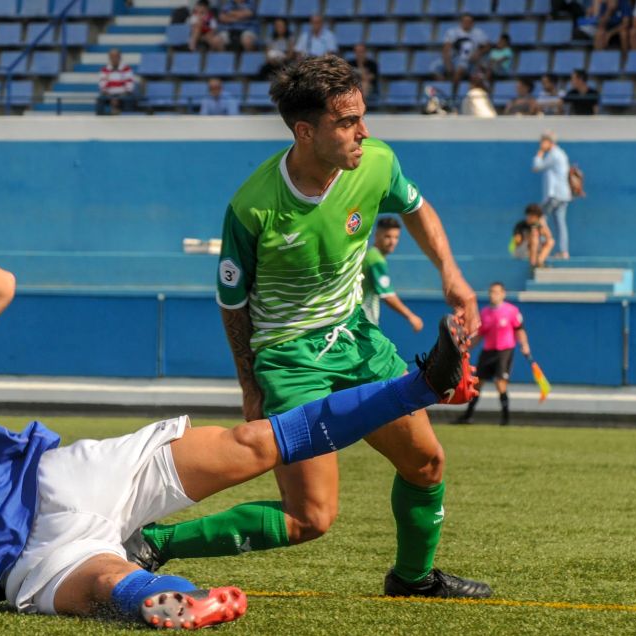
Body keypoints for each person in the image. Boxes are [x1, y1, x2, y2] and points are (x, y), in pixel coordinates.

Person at [0, 218, 479, 626]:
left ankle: (422, 382)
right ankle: (176, 599)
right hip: (20, 557)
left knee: (252, 442)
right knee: (105, 585)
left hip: (64, 473)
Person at [127, 55, 491, 600]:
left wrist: (452, 276)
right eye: (347, 123)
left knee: (427, 463)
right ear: (306, 131)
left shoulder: (376, 163)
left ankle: (412, 579)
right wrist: (250, 384)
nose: (363, 132)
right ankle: (156, 540)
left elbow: (417, 208)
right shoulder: (253, 208)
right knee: (311, 518)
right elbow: (232, 300)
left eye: (362, 117)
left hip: (357, 341)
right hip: (290, 358)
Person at [455, 282, 530, 427]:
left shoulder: (512, 311)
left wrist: (524, 345)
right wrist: (465, 347)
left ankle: (505, 418)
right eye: (491, 292)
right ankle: (468, 416)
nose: (492, 295)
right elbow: (479, 335)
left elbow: (519, 330)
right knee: (477, 384)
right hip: (488, 351)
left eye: (496, 292)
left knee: (500, 383)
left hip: (504, 351)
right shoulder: (485, 312)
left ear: (503, 294)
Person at [361, 217, 423, 332]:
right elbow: (387, 295)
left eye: (396, 237)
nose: (392, 242)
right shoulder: (376, 260)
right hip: (363, 324)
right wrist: (411, 316)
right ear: (377, 235)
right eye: (388, 236)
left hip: (359, 322)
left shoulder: (370, 255)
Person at [533, 131, 572, 260]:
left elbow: (537, 166)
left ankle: (543, 246)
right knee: (560, 223)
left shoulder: (553, 154)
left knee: (539, 218)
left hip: (554, 194)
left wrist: (540, 153)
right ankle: (563, 251)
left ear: (549, 142)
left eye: (542, 141)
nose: (540, 144)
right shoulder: (561, 153)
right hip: (564, 194)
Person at [441, 14, 491, 88]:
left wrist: (479, 53)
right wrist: (448, 63)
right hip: (455, 58)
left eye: (469, 21)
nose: (467, 23)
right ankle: (451, 91)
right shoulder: (453, 32)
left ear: (472, 23)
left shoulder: (478, 33)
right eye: (465, 21)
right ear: (461, 22)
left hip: (472, 59)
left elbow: (488, 46)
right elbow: (446, 48)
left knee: (483, 69)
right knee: (439, 70)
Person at [510, 203, 556, 268]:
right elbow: (517, 242)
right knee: (534, 237)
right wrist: (528, 237)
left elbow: (549, 237)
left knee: (551, 241)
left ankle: (540, 261)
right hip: (522, 251)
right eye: (529, 215)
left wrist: (543, 224)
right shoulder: (521, 225)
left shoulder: (539, 226)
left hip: (535, 252)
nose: (529, 218)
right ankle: (533, 265)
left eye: (532, 216)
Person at [96, 49, 136, 116]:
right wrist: (111, 97)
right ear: (109, 58)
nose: (114, 59)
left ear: (120, 57)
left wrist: (118, 98)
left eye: (116, 56)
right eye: (112, 57)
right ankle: (100, 120)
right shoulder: (105, 70)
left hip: (123, 95)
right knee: (100, 100)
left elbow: (130, 87)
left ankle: (128, 121)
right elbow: (102, 86)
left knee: (129, 100)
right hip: (109, 96)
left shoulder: (126, 69)